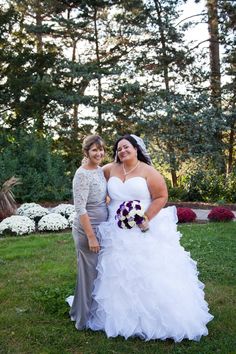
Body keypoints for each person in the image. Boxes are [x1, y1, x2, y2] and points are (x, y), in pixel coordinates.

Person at [87, 134, 213, 342]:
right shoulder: (110, 169)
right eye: (119, 149)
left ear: (136, 149)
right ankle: (120, 314)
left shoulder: (149, 172)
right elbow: (92, 175)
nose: (122, 151)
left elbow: (161, 196)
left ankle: (157, 318)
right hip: (115, 229)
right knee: (116, 271)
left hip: (142, 227)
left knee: (147, 271)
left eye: (126, 147)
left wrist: (146, 217)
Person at [66, 135, 108, 330]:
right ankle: (83, 319)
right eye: (94, 150)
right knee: (88, 274)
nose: (99, 153)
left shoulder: (99, 170)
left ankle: (86, 310)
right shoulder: (82, 174)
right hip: (87, 229)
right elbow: (80, 208)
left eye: (101, 149)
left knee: (95, 273)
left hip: (101, 225)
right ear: (86, 152)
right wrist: (91, 236)